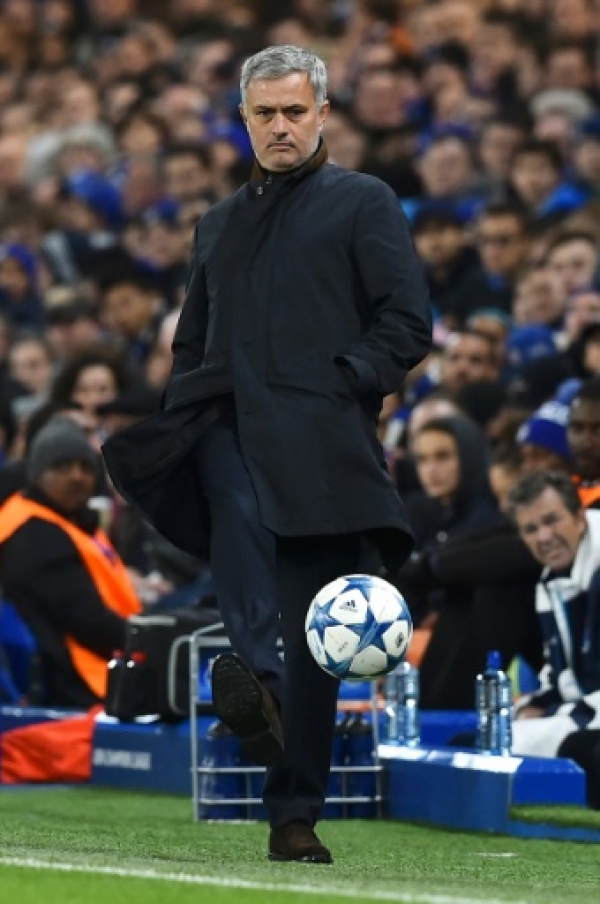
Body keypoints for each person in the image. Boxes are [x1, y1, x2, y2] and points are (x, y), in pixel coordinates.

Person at [102, 44, 431, 863]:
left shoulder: (363, 200)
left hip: (322, 443)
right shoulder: (217, 222)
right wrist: (189, 401)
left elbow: (406, 321)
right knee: (242, 534)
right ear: (243, 119)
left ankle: (293, 809)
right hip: (227, 425)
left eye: (294, 111)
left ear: (322, 114)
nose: (280, 126)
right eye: (265, 113)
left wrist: (344, 383)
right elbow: (192, 335)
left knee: (315, 633)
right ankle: (265, 688)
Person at [0, 418, 141, 708]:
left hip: (104, 660)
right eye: (62, 467)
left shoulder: (68, 521)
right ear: (37, 474)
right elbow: (89, 620)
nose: (77, 476)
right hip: (76, 684)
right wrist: (149, 641)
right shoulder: (36, 534)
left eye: (85, 467)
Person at [507, 471, 600, 767]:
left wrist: (551, 716)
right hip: (584, 714)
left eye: (552, 520)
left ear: (580, 517)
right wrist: (527, 709)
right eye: (531, 529)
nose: (544, 537)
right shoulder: (549, 584)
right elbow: (559, 678)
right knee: (482, 741)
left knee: (584, 750)